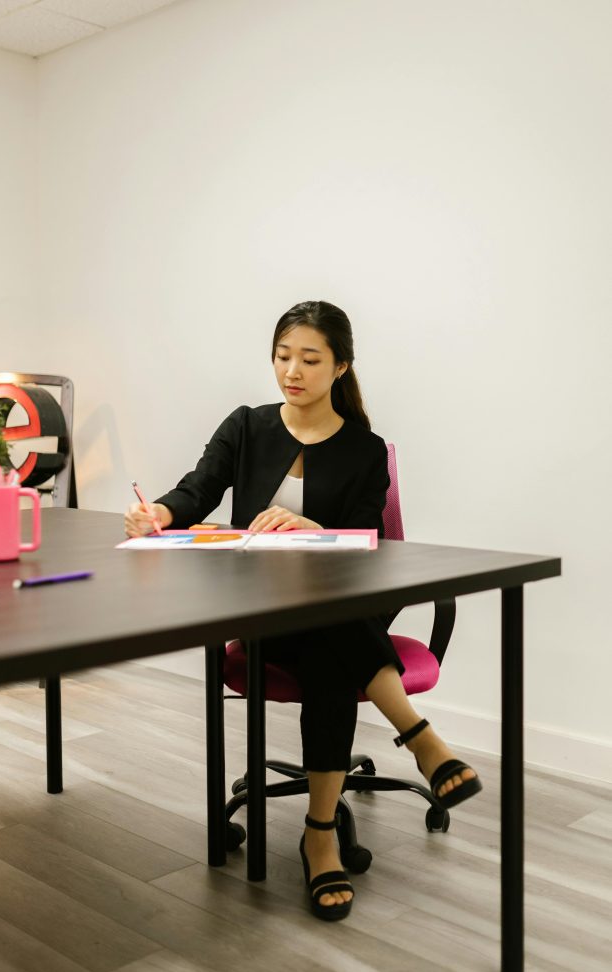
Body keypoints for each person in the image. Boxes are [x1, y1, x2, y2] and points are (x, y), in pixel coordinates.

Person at [125, 299, 482, 922]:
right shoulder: (246, 425)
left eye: (310, 358)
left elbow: (367, 538)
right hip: (262, 603)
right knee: (330, 640)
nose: (293, 370)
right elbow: (196, 489)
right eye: (283, 356)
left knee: (328, 634)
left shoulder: (365, 450)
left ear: (340, 367)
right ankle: (417, 745)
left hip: (339, 602)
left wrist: (312, 525)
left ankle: (322, 833)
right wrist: (159, 512)